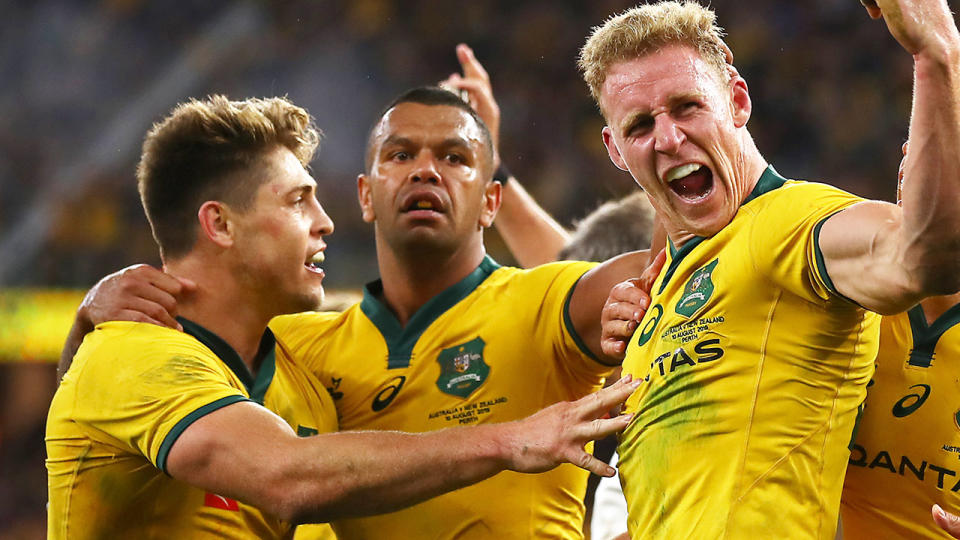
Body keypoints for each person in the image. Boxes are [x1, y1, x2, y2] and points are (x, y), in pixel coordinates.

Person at [60, 84, 654, 540]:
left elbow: (648, 265)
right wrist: (511, 440)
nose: (325, 222)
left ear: (489, 200)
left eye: (454, 156)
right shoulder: (146, 353)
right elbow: (289, 475)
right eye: (298, 201)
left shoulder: (297, 374)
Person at [577, 0, 960, 537]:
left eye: (687, 106)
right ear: (616, 150)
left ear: (736, 99)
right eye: (640, 125)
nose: (667, 138)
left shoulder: (792, 221)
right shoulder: (659, 293)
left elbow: (926, 256)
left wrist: (937, 53)